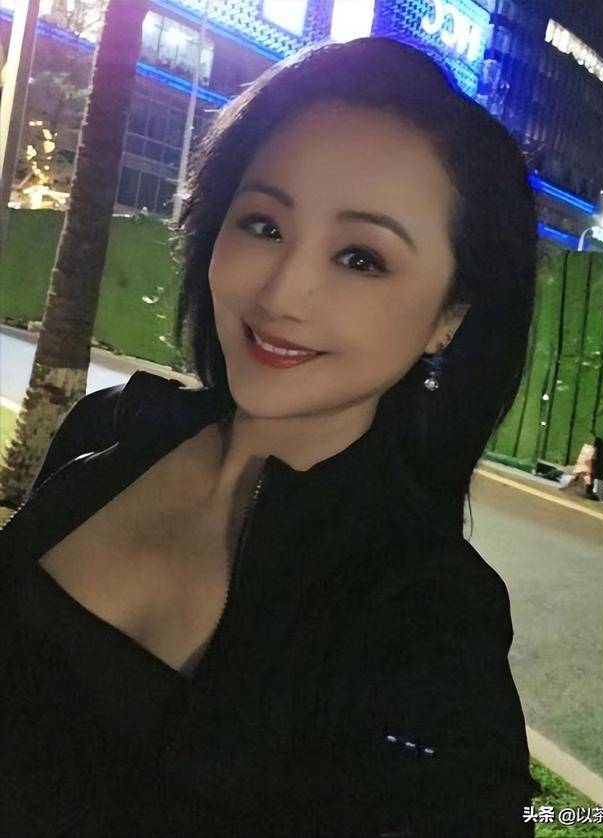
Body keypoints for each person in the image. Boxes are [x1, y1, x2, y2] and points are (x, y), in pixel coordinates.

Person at [0, 37, 541, 837]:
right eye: (263, 224)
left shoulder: (425, 614)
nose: (284, 292)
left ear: (449, 317)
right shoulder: (111, 431)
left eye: (361, 257)